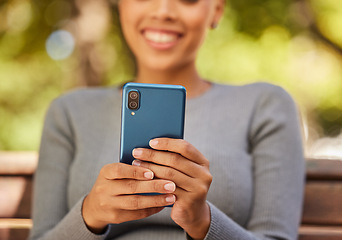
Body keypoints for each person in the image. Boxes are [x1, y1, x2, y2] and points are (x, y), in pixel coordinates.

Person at [29, 0, 305, 239]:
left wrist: (202, 222)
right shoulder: (69, 112)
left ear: (217, 10)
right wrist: (90, 215)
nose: (163, 11)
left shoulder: (265, 106)